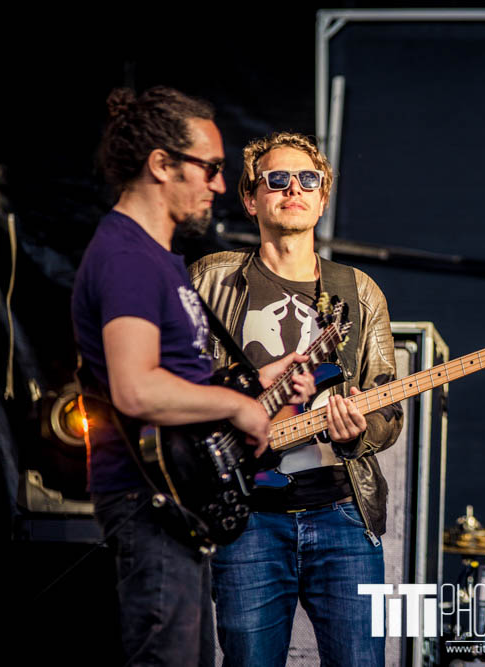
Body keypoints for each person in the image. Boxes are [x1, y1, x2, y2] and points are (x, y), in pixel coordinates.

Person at [72, 87, 314, 665]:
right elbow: (136, 388)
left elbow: (178, 381)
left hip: (178, 503)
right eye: (209, 168)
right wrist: (237, 409)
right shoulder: (129, 257)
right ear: (161, 164)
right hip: (149, 501)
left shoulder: (159, 258)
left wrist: (254, 384)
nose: (219, 185)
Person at [189, 131, 403, 666]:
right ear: (250, 198)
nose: (293, 189)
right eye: (276, 179)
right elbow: (178, 386)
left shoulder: (359, 291)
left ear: (323, 196)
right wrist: (244, 386)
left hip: (343, 515)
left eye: (308, 179)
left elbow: (388, 408)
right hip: (249, 519)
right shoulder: (212, 278)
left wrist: (360, 431)